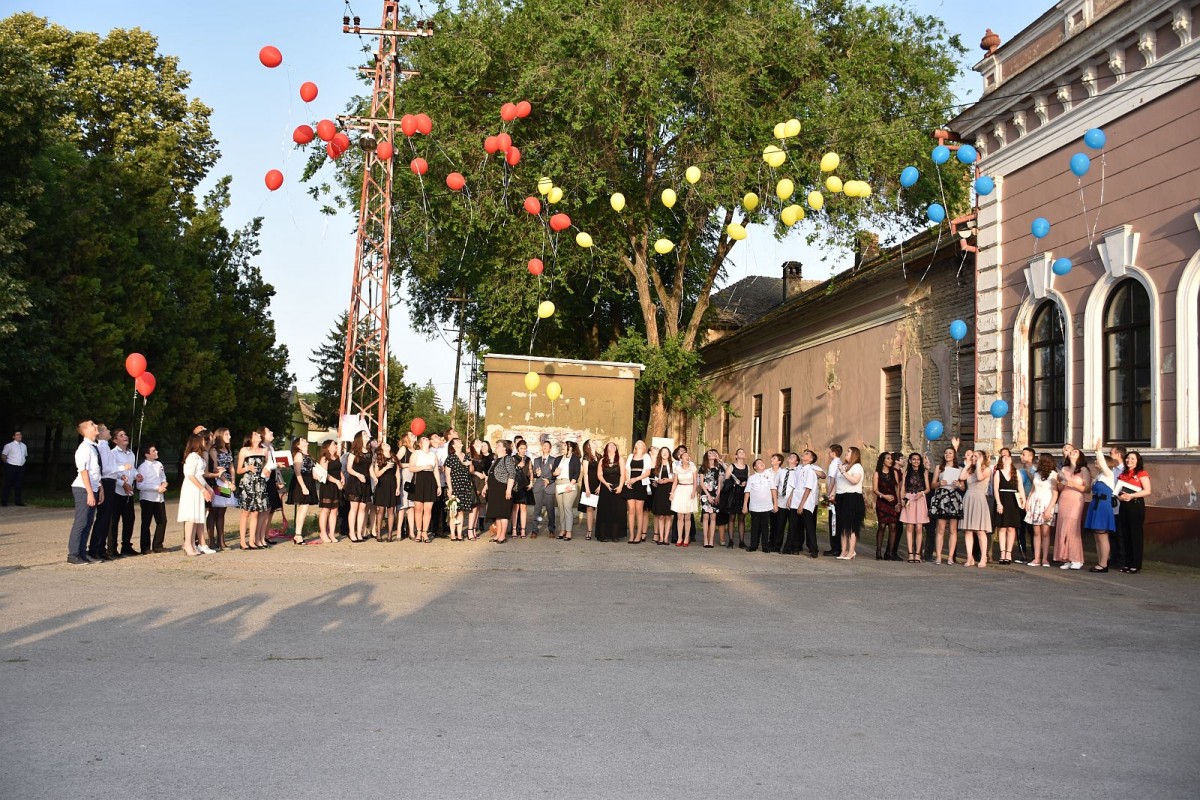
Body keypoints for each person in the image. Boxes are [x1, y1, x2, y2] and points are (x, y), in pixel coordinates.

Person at [67, 420, 103, 564]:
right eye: (92, 425)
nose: (96, 426)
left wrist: (100, 488)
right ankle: (73, 555)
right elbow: (83, 471)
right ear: (85, 431)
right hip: (83, 488)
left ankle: (82, 553)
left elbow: (96, 471)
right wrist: (89, 492)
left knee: (88, 522)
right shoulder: (84, 448)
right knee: (81, 522)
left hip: (93, 487)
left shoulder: (94, 447)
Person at [1115, 451, 1151, 574]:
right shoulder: (1122, 474)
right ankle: (1127, 563)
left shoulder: (1142, 473)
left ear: (1137, 461)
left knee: (1135, 535)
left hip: (1136, 505)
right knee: (1125, 534)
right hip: (1124, 506)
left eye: (1132, 459)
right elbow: (1117, 491)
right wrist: (1120, 497)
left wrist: (1131, 495)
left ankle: (1136, 564)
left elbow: (1147, 491)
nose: (1129, 460)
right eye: (1127, 458)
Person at [179, 433, 213, 556]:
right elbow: (190, 475)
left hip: (198, 488)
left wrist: (208, 487)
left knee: (196, 517)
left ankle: (192, 543)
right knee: (190, 516)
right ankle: (187, 543)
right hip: (191, 488)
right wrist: (202, 489)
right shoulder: (192, 456)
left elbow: (200, 475)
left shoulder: (199, 457)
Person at [930, 440, 964, 565]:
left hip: (953, 497)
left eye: (950, 453)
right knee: (940, 528)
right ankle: (938, 556)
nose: (947, 455)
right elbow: (932, 484)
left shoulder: (959, 469)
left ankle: (950, 557)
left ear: (954, 455)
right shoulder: (939, 468)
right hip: (942, 497)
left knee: (953, 529)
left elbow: (963, 487)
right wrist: (939, 483)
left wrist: (958, 484)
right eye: (946, 453)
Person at [1055, 447, 1089, 570]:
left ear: (1080, 456)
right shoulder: (1064, 469)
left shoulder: (1083, 469)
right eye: (1071, 452)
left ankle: (1077, 558)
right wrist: (1060, 482)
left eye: (1075, 452)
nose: (1072, 453)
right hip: (1064, 498)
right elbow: (1060, 488)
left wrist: (1073, 484)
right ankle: (1066, 558)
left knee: (1072, 527)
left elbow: (1087, 488)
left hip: (1076, 499)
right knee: (1063, 527)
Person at [1084, 446, 1117, 573]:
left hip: (1103, 506)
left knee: (1102, 535)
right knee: (1097, 535)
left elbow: (1103, 464)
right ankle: (1100, 561)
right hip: (1096, 505)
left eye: (1098, 460)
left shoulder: (1108, 474)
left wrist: (1098, 451)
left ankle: (1103, 564)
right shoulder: (1098, 476)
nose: (1096, 462)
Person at [236, 429, 269, 550]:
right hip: (248, 483)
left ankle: (252, 541)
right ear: (250, 438)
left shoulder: (264, 450)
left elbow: (267, 466)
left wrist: (269, 470)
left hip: (260, 483)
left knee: (256, 512)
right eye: (255, 434)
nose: (259, 435)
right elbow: (238, 470)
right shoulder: (244, 450)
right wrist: (248, 468)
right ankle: (242, 541)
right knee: (246, 512)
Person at [992, 448, 1026, 565]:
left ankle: (1008, 553)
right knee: (1002, 528)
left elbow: (1020, 487)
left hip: (1013, 501)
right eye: (1004, 458)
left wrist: (1023, 500)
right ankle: (1002, 553)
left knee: (1011, 528)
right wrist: (998, 503)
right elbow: (995, 489)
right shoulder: (998, 473)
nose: (1006, 459)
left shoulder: (1016, 473)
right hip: (1002, 499)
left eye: (1008, 457)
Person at [107, 428, 138, 556]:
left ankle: (126, 547)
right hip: (117, 492)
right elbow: (112, 471)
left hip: (128, 493)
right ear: (115, 440)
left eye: (125, 434)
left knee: (129, 519)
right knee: (113, 521)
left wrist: (137, 475)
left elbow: (132, 469)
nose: (125, 436)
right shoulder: (113, 454)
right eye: (121, 435)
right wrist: (122, 483)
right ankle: (111, 549)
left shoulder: (131, 453)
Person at [1025, 453, 1060, 567]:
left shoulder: (1053, 474)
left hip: (1046, 503)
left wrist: (1049, 509)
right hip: (1035, 502)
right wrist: (1028, 501)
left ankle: (1045, 559)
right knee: (1036, 532)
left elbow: (1055, 492)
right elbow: (1033, 489)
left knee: (1045, 532)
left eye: (1039, 459)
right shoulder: (1036, 474)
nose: (1037, 460)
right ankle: (1036, 558)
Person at [960, 450, 994, 568]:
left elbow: (979, 477)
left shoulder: (987, 469)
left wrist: (978, 465)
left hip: (979, 499)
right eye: (973, 456)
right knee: (968, 530)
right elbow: (961, 477)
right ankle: (969, 557)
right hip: (969, 498)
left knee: (980, 530)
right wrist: (968, 465)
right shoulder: (970, 469)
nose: (974, 458)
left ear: (982, 458)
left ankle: (983, 557)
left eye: (976, 456)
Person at [206, 428, 237, 551]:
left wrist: (233, 482)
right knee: (213, 511)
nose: (229, 436)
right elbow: (215, 468)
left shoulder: (228, 449)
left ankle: (221, 540)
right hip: (217, 482)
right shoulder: (214, 450)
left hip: (227, 483)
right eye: (226, 434)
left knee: (222, 511)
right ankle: (211, 541)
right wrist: (227, 482)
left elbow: (231, 467)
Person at [134, 444, 168, 554]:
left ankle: (158, 545)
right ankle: (145, 547)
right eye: (153, 451)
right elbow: (140, 485)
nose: (156, 452)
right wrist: (156, 488)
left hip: (159, 498)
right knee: (146, 522)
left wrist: (164, 483)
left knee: (162, 520)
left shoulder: (159, 464)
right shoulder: (142, 467)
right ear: (147, 454)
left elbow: (162, 477)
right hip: (147, 498)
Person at [834, 446, 865, 560]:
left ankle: (851, 551)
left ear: (854, 454)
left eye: (848, 451)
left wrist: (843, 472)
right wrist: (832, 495)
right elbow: (837, 483)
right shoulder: (843, 466)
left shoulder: (857, 466)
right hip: (841, 496)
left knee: (851, 526)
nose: (846, 453)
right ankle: (843, 551)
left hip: (852, 497)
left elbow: (855, 481)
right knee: (842, 526)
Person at [409, 435, 442, 543]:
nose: (426, 439)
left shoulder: (433, 454)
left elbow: (436, 471)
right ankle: (418, 531)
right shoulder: (416, 453)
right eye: (424, 438)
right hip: (419, 479)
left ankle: (425, 532)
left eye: (427, 438)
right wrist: (423, 467)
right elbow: (411, 468)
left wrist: (439, 485)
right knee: (418, 508)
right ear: (420, 443)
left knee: (428, 508)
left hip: (430, 481)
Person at [444, 437, 478, 541]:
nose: (460, 441)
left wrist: (470, 463)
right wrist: (450, 488)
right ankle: (452, 533)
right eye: (457, 441)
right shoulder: (450, 458)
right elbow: (447, 474)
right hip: (455, 485)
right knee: (454, 510)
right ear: (453, 445)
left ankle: (459, 534)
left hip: (465, 485)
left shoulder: (466, 456)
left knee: (461, 511)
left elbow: (471, 470)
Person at [789, 450, 821, 558]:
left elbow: (808, 488)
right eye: (804, 452)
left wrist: (801, 504)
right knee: (795, 525)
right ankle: (795, 547)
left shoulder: (810, 471)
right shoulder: (798, 469)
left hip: (806, 502)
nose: (804, 454)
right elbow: (794, 485)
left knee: (809, 526)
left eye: (807, 454)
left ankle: (814, 549)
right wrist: (790, 498)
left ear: (811, 459)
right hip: (795, 501)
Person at [900, 452, 930, 563]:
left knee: (919, 527)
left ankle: (917, 554)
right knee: (909, 526)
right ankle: (910, 553)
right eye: (913, 459)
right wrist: (902, 499)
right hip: (909, 498)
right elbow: (903, 487)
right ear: (910, 461)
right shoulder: (906, 472)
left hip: (920, 499)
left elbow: (928, 489)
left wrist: (922, 493)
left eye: (918, 459)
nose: (916, 461)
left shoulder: (924, 472)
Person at [343, 430, 373, 542]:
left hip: (366, 482)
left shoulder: (369, 451)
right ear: (359, 438)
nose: (367, 435)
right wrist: (358, 475)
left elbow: (370, 467)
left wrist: (374, 477)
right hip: (355, 481)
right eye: (364, 434)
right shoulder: (354, 451)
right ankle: (352, 532)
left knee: (363, 508)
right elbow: (349, 468)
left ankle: (359, 532)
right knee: (354, 507)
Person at [595, 441, 627, 542]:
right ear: (606, 449)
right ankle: (603, 535)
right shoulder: (602, 460)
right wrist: (605, 484)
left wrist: (621, 486)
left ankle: (615, 535)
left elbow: (623, 474)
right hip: (606, 488)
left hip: (617, 487)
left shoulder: (620, 459)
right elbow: (599, 475)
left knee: (617, 511)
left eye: (614, 445)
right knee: (605, 511)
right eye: (610, 446)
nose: (612, 447)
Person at [287, 438, 317, 545]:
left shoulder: (308, 455)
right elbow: (297, 472)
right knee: (303, 508)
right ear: (298, 445)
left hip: (309, 480)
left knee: (304, 508)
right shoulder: (299, 455)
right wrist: (303, 486)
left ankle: (298, 534)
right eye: (302, 440)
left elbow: (312, 470)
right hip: (301, 482)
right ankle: (298, 534)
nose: (305, 440)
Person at [872, 452, 901, 560]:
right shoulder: (877, 473)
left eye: (891, 458)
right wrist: (884, 496)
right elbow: (875, 489)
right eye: (888, 458)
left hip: (893, 502)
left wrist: (898, 502)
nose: (890, 460)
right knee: (882, 526)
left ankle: (890, 553)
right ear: (883, 461)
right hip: (882, 502)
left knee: (893, 526)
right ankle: (878, 551)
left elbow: (897, 488)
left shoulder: (894, 472)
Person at [486, 440, 516, 543]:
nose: (496, 447)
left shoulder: (507, 459)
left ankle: (502, 535)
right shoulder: (496, 459)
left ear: (504, 448)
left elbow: (512, 474)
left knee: (503, 513)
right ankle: (498, 534)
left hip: (502, 488)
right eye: (496, 445)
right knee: (497, 513)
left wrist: (508, 490)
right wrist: (486, 487)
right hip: (494, 490)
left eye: (499, 445)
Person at [743, 459, 775, 552]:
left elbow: (773, 489)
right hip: (755, 506)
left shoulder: (769, 476)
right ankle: (753, 545)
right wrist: (745, 505)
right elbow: (747, 492)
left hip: (767, 506)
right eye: (759, 463)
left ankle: (765, 546)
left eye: (762, 462)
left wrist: (775, 504)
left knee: (765, 526)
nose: (762, 463)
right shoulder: (752, 478)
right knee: (755, 526)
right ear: (755, 467)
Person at [624, 439, 652, 543]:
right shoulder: (631, 456)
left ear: (644, 446)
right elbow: (627, 470)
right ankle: (631, 534)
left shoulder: (646, 456)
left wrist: (636, 479)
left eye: (641, 442)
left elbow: (648, 472)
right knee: (631, 510)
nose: (639, 443)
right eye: (637, 442)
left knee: (639, 510)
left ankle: (639, 534)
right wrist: (628, 481)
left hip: (640, 483)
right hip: (630, 483)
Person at [317, 439, 343, 544]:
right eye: (333, 444)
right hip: (328, 486)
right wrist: (336, 481)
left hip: (337, 486)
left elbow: (339, 469)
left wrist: (342, 477)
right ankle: (323, 533)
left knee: (334, 510)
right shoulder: (324, 458)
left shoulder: (337, 457)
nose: (336, 445)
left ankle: (332, 533)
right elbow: (324, 474)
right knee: (326, 509)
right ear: (328, 447)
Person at [553, 440, 581, 541]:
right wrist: (555, 473)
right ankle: (562, 530)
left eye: (565, 446)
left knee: (567, 507)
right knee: (561, 508)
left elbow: (577, 473)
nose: (563, 447)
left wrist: (571, 484)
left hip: (569, 483)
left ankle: (569, 531)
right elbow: (553, 473)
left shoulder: (575, 459)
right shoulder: (558, 459)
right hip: (559, 484)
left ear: (570, 448)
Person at [670, 450, 698, 546]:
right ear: (681, 458)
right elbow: (675, 482)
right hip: (680, 490)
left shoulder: (693, 467)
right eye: (685, 455)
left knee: (688, 516)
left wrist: (694, 491)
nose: (687, 457)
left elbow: (695, 481)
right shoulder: (677, 468)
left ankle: (686, 538)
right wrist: (672, 493)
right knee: (679, 516)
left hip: (689, 490)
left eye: (688, 455)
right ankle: (679, 538)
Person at [531, 438, 558, 537]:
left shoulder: (554, 460)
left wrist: (549, 480)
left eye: (547, 446)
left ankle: (551, 529)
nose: (545, 447)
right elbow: (534, 474)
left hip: (549, 487)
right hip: (538, 487)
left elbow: (556, 475)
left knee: (550, 509)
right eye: (544, 445)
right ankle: (534, 530)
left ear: (550, 448)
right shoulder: (536, 460)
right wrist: (536, 474)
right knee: (537, 509)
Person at [723, 448, 749, 548]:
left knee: (742, 518)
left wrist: (746, 483)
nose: (741, 453)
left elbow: (749, 480)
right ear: (736, 456)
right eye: (739, 452)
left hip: (743, 494)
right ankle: (730, 541)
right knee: (732, 517)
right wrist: (734, 482)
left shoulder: (747, 467)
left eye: (743, 452)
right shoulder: (731, 466)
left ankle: (742, 541)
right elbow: (726, 481)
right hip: (733, 494)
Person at [699, 450, 724, 548]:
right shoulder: (703, 467)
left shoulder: (719, 467)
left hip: (715, 493)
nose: (712, 454)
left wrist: (718, 495)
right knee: (705, 516)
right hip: (705, 494)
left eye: (713, 453)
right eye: (709, 453)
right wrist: (708, 495)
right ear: (706, 456)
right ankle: (705, 539)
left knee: (713, 517)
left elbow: (720, 482)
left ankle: (711, 540)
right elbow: (701, 482)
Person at [650, 446, 674, 545]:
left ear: (669, 454)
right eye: (663, 452)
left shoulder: (673, 465)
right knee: (660, 515)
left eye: (666, 452)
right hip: (659, 490)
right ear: (660, 454)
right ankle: (660, 538)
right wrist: (658, 481)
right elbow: (654, 478)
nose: (665, 453)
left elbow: (676, 478)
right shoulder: (657, 465)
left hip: (669, 489)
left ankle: (666, 538)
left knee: (668, 516)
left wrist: (668, 480)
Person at [767, 453, 791, 553]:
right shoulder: (767, 471)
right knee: (772, 524)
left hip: (781, 500)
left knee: (779, 524)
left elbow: (776, 487)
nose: (772, 459)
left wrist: (775, 501)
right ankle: (770, 543)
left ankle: (777, 545)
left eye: (774, 458)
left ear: (779, 461)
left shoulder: (783, 472)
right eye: (772, 458)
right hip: (769, 499)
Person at [822, 444, 843, 556]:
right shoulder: (841, 463)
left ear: (833, 453)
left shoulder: (833, 464)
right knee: (837, 521)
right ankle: (838, 546)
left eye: (829, 452)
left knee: (833, 521)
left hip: (833, 496)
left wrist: (827, 495)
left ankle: (835, 547)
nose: (828, 454)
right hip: (839, 494)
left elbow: (832, 481)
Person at [510, 440, 533, 538]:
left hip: (525, 484)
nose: (523, 450)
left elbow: (530, 471)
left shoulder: (528, 459)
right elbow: (510, 472)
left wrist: (531, 482)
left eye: (525, 448)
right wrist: (518, 466)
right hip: (516, 485)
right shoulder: (513, 458)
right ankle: (514, 529)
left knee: (524, 507)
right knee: (515, 508)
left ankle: (523, 530)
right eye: (521, 448)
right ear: (517, 449)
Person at [579, 439, 601, 540]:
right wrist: (587, 488)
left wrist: (600, 485)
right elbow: (585, 474)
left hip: (598, 484)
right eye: (592, 442)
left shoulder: (600, 456)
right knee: (589, 508)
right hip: (589, 484)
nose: (595, 442)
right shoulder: (586, 457)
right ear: (588, 446)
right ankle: (589, 531)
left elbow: (602, 472)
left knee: (598, 509)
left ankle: (599, 531)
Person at [1, 430, 28, 506]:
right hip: (11, 467)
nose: (20, 436)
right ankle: (4, 501)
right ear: (13, 436)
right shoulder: (9, 445)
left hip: (20, 467)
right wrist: (7, 464)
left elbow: (25, 456)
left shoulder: (24, 446)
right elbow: (3, 455)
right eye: (17, 434)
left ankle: (18, 501)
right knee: (8, 484)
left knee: (18, 484)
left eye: (20, 434)